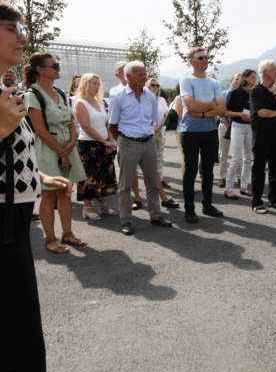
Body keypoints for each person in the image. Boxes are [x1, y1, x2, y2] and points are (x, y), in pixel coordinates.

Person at [0, 0, 75, 372]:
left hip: (14, 217)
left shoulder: (3, 86)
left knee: (19, 325)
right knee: (13, 326)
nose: (22, 36)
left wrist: (40, 178)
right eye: (12, 28)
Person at [22, 52, 87, 253]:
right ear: (40, 70)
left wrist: (72, 143)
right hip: (48, 148)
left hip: (66, 147)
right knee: (49, 196)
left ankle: (67, 234)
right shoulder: (32, 95)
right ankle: (50, 240)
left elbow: (70, 122)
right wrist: (61, 152)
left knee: (66, 193)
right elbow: (40, 130)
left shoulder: (59, 92)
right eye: (55, 65)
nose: (58, 69)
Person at [108, 61, 173, 235]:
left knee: (153, 183)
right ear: (128, 77)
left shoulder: (151, 97)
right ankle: (126, 221)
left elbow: (151, 120)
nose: (144, 77)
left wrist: (147, 138)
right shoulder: (118, 97)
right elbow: (112, 125)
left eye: (145, 74)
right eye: (140, 75)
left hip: (148, 143)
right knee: (125, 186)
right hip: (128, 143)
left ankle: (156, 215)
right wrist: (122, 142)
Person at [179, 46, 226, 223]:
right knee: (190, 171)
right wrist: (212, 105)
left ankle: (207, 205)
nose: (205, 60)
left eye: (206, 57)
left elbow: (223, 108)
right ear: (192, 62)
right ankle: (189, 210)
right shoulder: (186, 80)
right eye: (200, 58)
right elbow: (191, 105)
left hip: (210, 132)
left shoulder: (214, 82)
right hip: (190, 132)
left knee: (208, 171)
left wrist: (203, 113)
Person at [73, 73, 118, 219]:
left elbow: (107, 123)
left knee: (106, 175)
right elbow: (86, 127)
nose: (97, 86)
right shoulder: (80, 103)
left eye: (98, 84)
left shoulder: (99, 101)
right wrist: (105, 142)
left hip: (104, 143)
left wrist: (110, 140)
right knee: (89, 177)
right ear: (85, 85)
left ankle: (103, 205)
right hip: (88, 145)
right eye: (93, 83)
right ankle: (87, 208)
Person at [249, 59, 276, 213]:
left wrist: (274, 93)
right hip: (261, 137)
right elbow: (262, 113)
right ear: (264, 72)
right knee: (259, 171)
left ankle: (274, 200)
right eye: (274, 69)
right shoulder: (255, 90)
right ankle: (257, 202)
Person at [145, 77, 179, 208]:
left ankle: (160, 186)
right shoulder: (145, 99)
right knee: (148, 164)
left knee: (159, 160)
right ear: (147, 86)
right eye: (152, 85)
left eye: (157, 85)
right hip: (148, 134)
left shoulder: (162, 100)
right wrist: (152, 130)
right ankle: (142, 197)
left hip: (160, 132)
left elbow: (166, 114)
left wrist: (160, 125)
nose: (155, 87)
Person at [224, 69, 255, 200]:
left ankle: (244, 187)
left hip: (250, 127)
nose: (255, 79)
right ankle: (228, 189)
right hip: (237, 126)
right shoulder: (234, 92)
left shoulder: (253, 93)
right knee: (236, 158)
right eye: (253, 77)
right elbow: (226, 112)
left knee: (248, 158)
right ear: (246, 78)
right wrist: (241, 115)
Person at [218, 73, 241, 188]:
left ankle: (240, 176)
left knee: (238, 154)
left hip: (239, 126)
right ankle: (222, 176)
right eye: (236, 79)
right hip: (225, 125)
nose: (238, 81)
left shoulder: (243, 94)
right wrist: (226, 124)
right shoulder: (224, 94)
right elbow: (221, 111)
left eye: (240, 79)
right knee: (223, 153)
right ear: (231, 80)